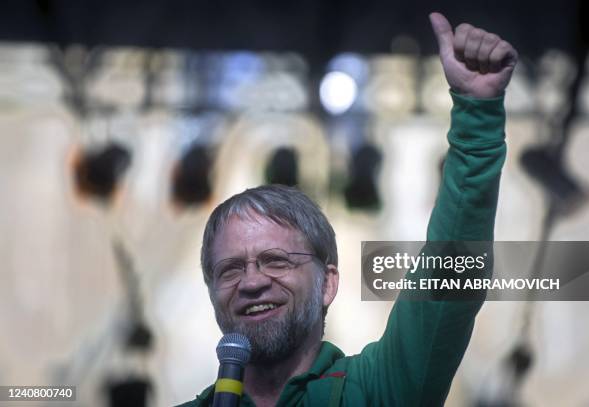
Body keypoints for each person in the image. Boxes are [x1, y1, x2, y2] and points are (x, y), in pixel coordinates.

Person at [178, 12, 517, 407]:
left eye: (275, 261)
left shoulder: (377, 390)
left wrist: (477, 115)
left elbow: (452, 268)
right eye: (231, 269)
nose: (252, 282)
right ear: (212, 292)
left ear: (328, 283)